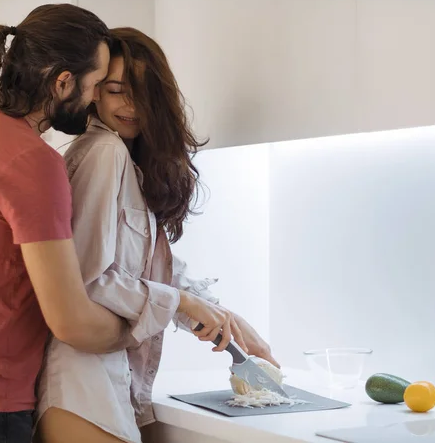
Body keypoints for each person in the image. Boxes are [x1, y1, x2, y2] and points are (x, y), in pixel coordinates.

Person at [0, 5, 236, 443]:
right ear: (64, 81)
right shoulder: (36, 162)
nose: (99, 98)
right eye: (100, 85)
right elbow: (73, 323)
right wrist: (163, 312)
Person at [35, 27, 279, 443]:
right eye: (116, 90)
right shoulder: (103, 153)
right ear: (94, 92)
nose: (131, 106)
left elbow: (148, 268)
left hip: (100, 387)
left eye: (143, 93)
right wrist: (182, 302)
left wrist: (223, 318)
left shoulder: (124, 159)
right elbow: (90, 282)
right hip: (80, 388)